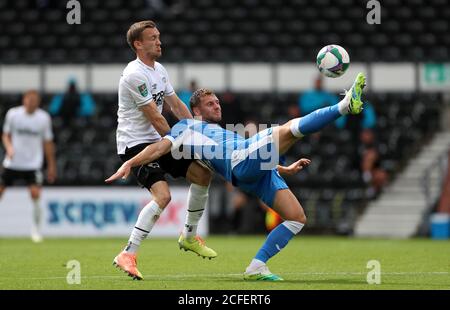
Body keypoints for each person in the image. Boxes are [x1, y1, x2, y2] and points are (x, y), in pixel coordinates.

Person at [106, 73, 367, 281]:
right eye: (210, 103)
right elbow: (160, 147)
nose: (217, 105)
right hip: (240, 162)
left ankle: (256, 266)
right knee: (288, 129)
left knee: (297, 218)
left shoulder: (219, 131)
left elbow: (248, 157)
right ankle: (344, 105)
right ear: (195, 111)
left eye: (217, 101)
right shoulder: (186, 127)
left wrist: (282, 169)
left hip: (255, 170)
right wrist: (131, 162)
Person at [113, 20, 216, 280]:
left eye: (159, 37)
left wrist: (198, 130)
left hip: (159, 140)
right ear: (138, 44)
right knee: (163, 196)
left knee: (203, 175)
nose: (159, 41)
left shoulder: (158, 69)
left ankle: (189, 236)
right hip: (136, 143)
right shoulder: (134, 74)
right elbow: (157, 119)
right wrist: (182, 140)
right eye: (153, 38)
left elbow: (176, 106)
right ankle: (128, 253)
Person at [0, 90, 57, 242]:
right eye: (29, 99)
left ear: (38, 102)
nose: (32, 102)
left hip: (33, 164)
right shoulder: (13, 114)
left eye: (35, 100)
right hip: (12, 162)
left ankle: (36, 230)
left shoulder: (43, 118)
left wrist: (51, 165)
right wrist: (9, 148)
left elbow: (48, 142)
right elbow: (5, 135)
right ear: (24, 100)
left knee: (35, 194)